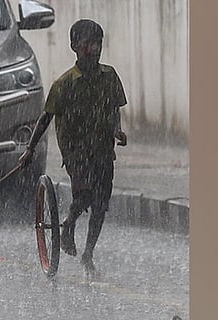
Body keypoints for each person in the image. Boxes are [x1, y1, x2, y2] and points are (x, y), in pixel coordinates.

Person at [18, 19, 128, 273]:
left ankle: (87, 254)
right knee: (85, 194)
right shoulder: (64, 84)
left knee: (100, 205)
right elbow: (45, 118)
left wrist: (116, 130)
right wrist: (29, 149)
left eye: (98, 43)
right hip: (76, 151)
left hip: (102, 149)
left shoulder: (109, 76)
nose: (95, 49)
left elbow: (114, 108)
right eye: (89, 43)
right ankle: (68, 224)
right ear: (75, 46)